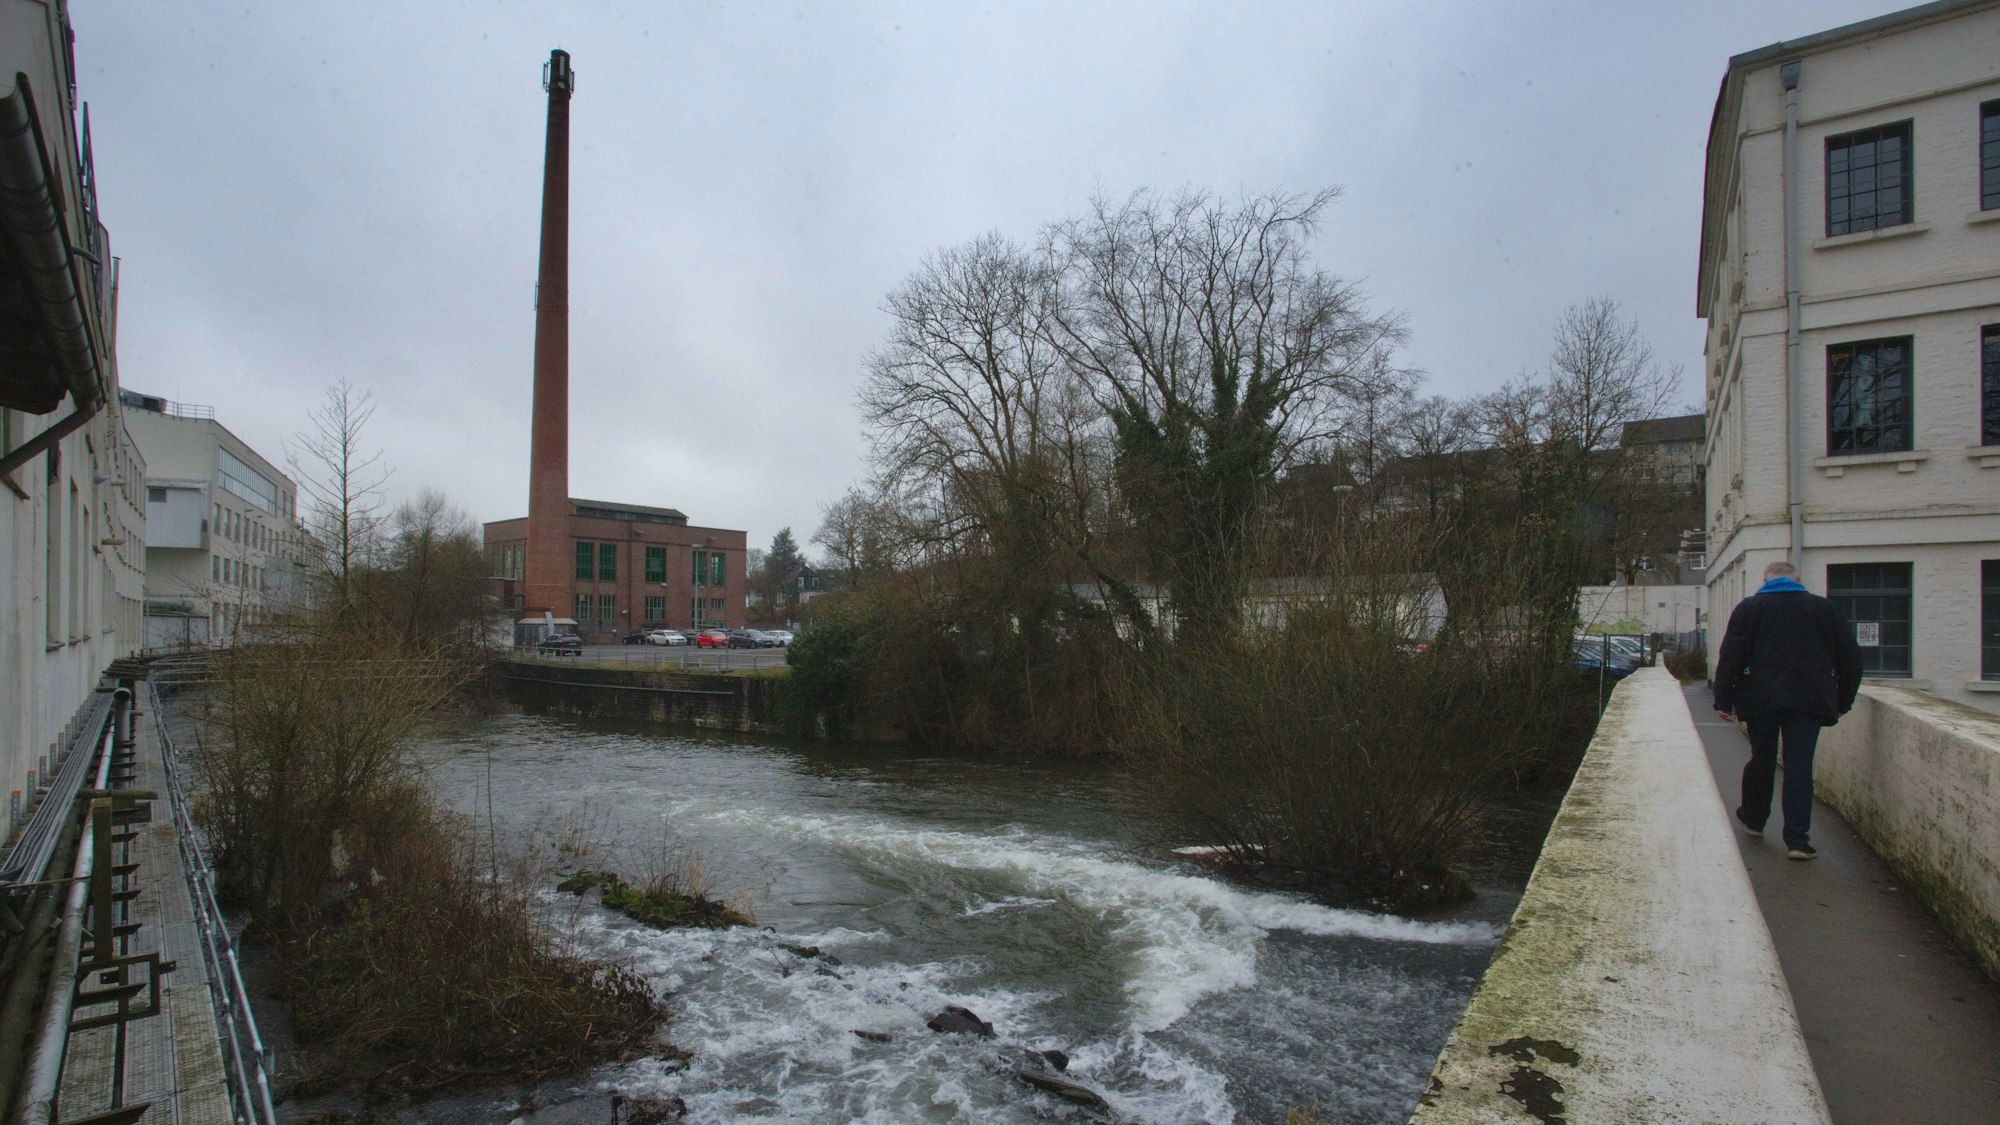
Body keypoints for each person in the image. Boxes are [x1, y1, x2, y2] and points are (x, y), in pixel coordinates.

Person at [1712, 560, 1863, 860]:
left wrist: (1723, 700)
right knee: (1799, 767)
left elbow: (1730, 656)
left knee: (1762, 758)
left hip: (1760, 698)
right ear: (1797, 579)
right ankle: (1797, 840)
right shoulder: (1823, 609)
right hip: (1808, 700)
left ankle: (1754, 819)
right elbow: (1851, 660)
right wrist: (1843, 700)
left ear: (1765, 580)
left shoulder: (1749, 608)